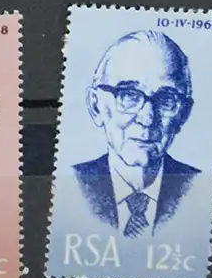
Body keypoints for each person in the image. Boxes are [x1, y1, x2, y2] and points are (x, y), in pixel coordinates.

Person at [75, 29, 197, 234]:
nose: (147, 119)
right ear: (96, 106)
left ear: (183, 114)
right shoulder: (70, 185)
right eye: (129, 95)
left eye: (166, 99)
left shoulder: (201, 188)